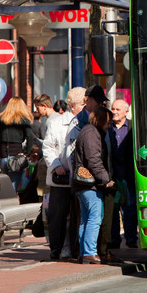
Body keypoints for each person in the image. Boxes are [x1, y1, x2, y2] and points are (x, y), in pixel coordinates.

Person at [42, 87, 86, 261]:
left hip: (80, 178)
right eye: (83, 104)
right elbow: (48, 147)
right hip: (61, 178)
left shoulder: (86, 122)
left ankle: (75, 249)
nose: (86, 107)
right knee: (58, 216)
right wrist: (57, 165)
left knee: (76, 217)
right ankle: (57, 249)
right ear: (73, 105)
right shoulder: (57, 123)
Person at [73, 106, 114, 264]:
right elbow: (94, 160)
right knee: (95, 218)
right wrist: (106, 179)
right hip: (89, 185)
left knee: (85, 218)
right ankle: (90, 252)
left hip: (82, 185)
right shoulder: (92, 133)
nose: (109, 125)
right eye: (108, 122)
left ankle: (84, 252)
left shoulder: (88, 131)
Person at [0, 97, 34, 201]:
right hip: (16, 158)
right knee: (12, 188)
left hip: (0, 155)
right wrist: (26, 153)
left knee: (0, 186)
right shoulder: (23, 120)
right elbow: (30, 137)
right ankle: (10, 208)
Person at [107, 98, 137, 250]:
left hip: (128, 176)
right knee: (113, 210)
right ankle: (114, 240)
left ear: (126, 111)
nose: (114, 112)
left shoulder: (133, 128)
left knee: (130, 209)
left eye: (118, 109)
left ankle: (131, 239)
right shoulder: (107, 128)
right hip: (112, 176)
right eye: (113, 109)